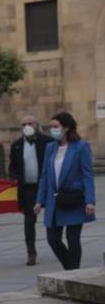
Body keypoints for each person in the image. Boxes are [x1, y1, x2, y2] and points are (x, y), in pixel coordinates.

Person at [34, 112, 96, 270]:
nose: (52, 130)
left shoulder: (80, 147)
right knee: (52, 239)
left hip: (73, 198)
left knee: (73, 238)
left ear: (66, 128)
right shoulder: (50, 148)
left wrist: (90, 200)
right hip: (54, 200)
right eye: (51, 127)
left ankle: (73, 272)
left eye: (56, 127)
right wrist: (39, 200)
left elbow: (88, 175)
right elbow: (44, 176)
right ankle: (71, 269)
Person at [8, 116, 54, 266]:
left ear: (37, 125)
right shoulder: (16, 145)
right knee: (29, 221)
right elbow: (13, 167)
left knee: (53, 218)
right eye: (24, 124)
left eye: (30, 123)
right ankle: (31, 252)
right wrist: (14, 179)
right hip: (28, 188)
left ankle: (56, 243)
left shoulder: (47, 142)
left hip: (46, 186)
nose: (27, 126)